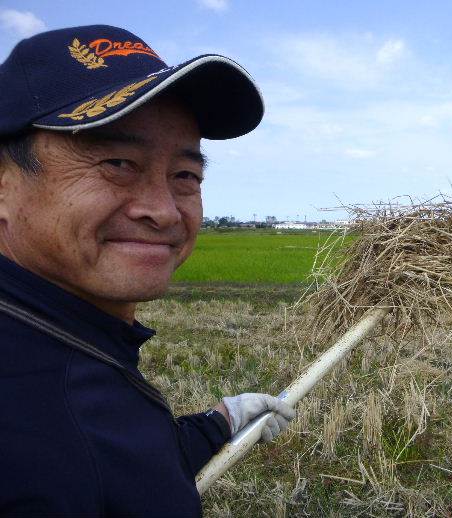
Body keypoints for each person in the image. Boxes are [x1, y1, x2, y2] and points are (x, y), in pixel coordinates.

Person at [0, 25, 295, 517]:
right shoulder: (32, 440)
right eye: (117, 162)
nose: (164, 211)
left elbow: (120, 463)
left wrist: (218, 424)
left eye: (185, 176)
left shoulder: (67, 341)